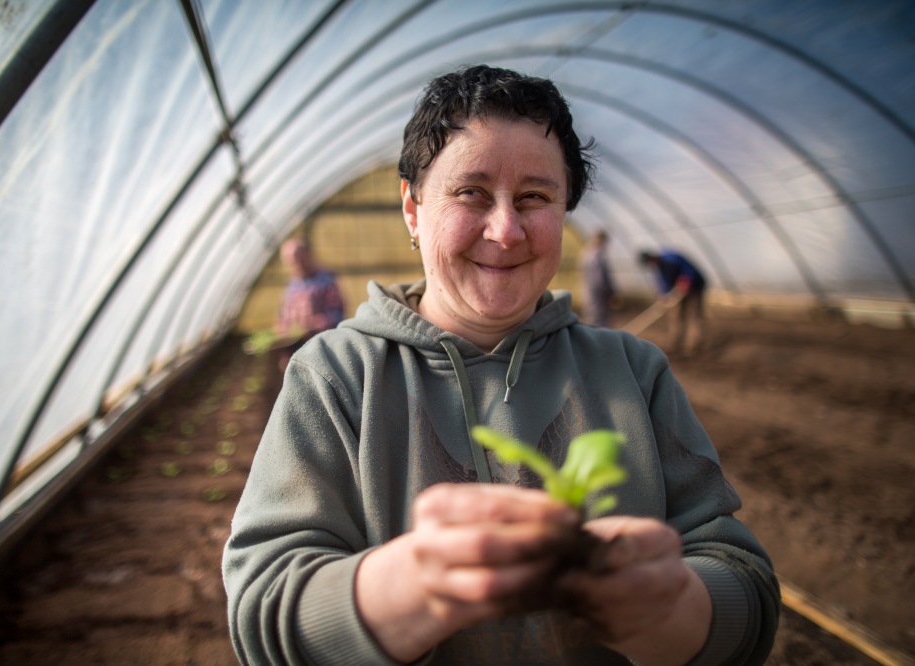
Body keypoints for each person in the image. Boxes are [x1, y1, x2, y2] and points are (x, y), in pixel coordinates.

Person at [224, 65, 779, 665]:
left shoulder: (632, 371)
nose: (507, 230)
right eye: (471, 193)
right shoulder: (336, 375)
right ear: (413, 208)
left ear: (565, 210)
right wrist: (411, 586)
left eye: (536, 198)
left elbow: (742, 581)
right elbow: (264, 607)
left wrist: (670, 609)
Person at [273, 236, 345, 370]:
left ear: (308, 256)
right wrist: (283, 330)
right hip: (295, 350)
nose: (296, 265)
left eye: (298, 259)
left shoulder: (326, 281)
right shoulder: (291, 286)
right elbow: (282, 317)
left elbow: (337, 315)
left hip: (323, 348)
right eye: (291, 262)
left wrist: (313, 325)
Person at [638, 250, 707, 356]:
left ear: (652, 257)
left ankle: (693, 346)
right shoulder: (658, 268)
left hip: (695, 288)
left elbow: (690, 271)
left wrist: (686, 281)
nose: (651, 266)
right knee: (675, 316)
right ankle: (675, 344)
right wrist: (663, 295)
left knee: (693, 316)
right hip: (677, 290)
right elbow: (662, 284)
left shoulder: (672, 259)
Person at [580, 229, 615, 327]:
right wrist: (610, 293)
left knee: (591, 318)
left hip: (590, 294)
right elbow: (599, 280)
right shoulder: (597, 256)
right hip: (598, 295)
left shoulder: (586, 254)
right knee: (599, 321)